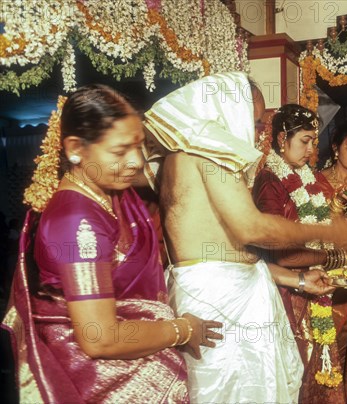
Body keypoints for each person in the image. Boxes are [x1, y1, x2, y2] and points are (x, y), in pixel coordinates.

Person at [143, 72, 347, 403]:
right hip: (220, 303)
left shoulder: (182, 155)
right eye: (255, 122)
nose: (259, 133)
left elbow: (232, 250)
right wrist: (328, 231)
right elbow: (252, 229)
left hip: (219, 293)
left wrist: (298, 279)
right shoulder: (206, 151)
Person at [1, 85, 219, 402]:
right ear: (76, 147)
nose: (135, 162)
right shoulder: (78, 221)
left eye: (139, 147)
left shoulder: (107, 192)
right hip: (101, 382)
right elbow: (99, 338)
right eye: (120, 152)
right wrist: (182, 330)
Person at [252, 104, 347, 403]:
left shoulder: (315, 180)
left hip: (323, 286)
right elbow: (281, 255)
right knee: (302, 378)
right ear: (282, 139)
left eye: (315, 141)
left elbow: (332, 235)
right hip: (292, 295)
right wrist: (342, 257)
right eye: (305, 141)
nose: (312, 150)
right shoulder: (270, 183)